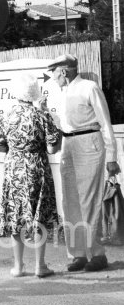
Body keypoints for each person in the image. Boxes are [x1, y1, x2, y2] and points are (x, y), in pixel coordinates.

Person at [48, 54, 121, 272]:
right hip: (68, 145)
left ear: (64, 71)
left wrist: (111, 158)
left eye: (54, 72)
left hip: (90, 142)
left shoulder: (89, 88)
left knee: (90, 200)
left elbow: (105, 124)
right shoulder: (60, 94)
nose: (52, 77)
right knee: (70, 201)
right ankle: (77, 253)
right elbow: (62, 124)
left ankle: (96, 254)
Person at [0, 72, 60, 278]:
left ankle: (18, 266)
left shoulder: (6, 116)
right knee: (39, 215)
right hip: (38, 168)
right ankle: (40, 266)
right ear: (34, 92)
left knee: (16, 215)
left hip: (14, 170)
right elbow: (51, 149)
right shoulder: (42, 116)